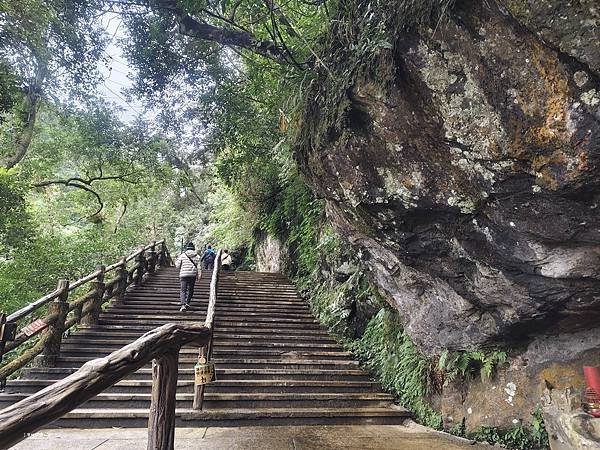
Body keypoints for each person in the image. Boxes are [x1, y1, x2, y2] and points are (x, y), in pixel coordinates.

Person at [175, 242, 199, 311]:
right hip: (193, 275)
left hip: (183, 275)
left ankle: (182, 305)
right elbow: (199, 267)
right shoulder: (197, 256)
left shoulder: (182, 255)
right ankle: (187, 302)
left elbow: (177, 266)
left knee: (183, 290)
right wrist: (199, 276)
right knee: (191, 289)